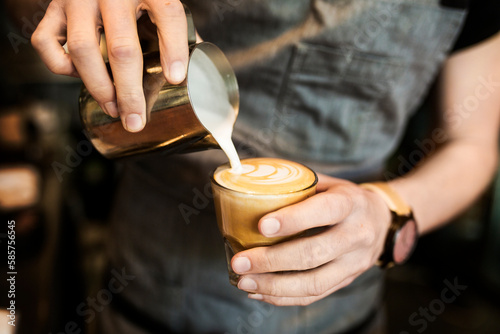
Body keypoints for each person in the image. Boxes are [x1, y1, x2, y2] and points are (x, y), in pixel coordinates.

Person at [31, 0, 500, 333]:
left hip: (340, 311)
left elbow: (472, 144)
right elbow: (26, 16)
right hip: (147, 289)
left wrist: (389, 213)